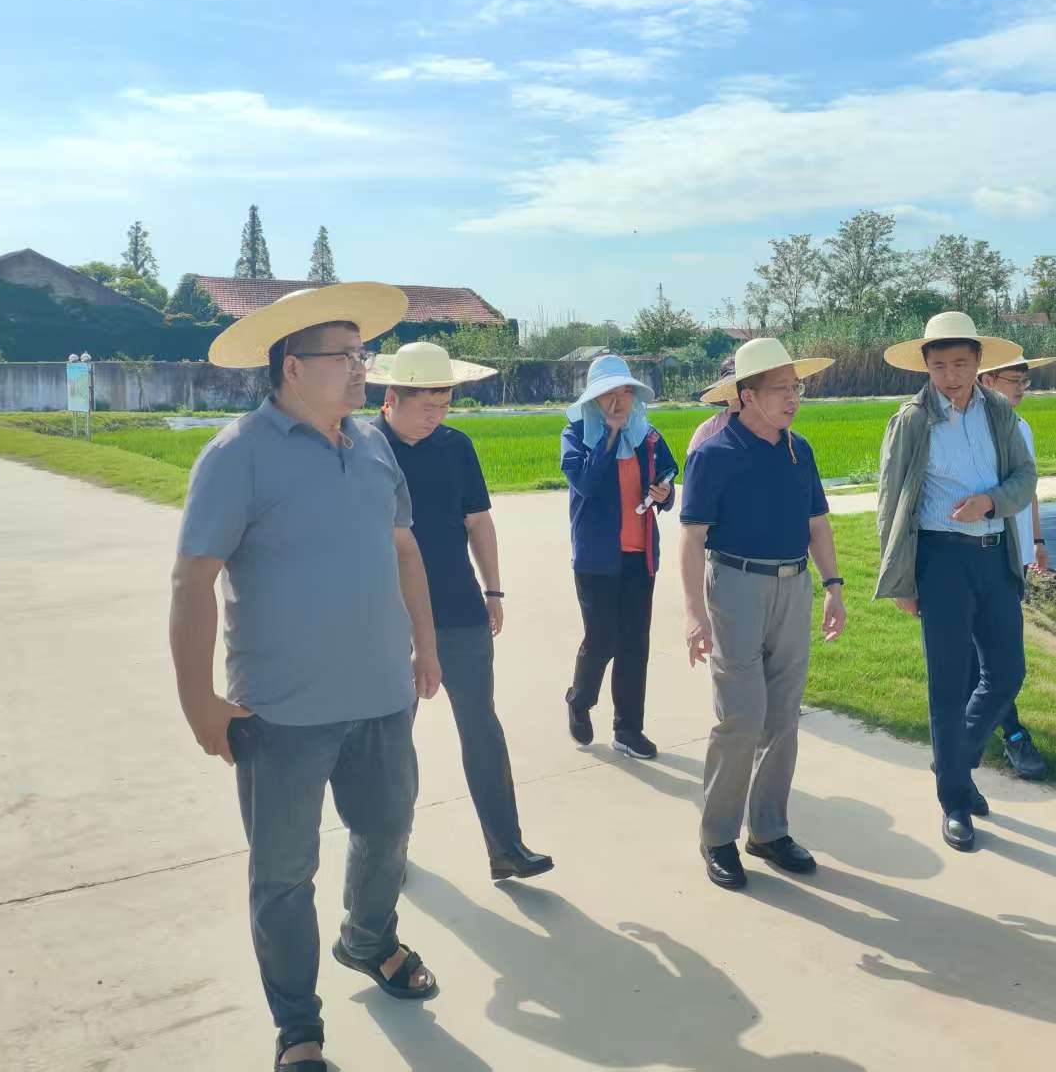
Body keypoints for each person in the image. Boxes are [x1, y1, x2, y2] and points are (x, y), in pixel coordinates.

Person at [169, 284, 443, 1072]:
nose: (363, 369)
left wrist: (424, 645)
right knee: (285, 874)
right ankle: (298, 1026)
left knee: (387, 831)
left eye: (364, 354)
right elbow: (192, 579)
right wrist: (197, 700)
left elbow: (404, 549)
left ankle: (369, 938)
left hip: (383, 696)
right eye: (346, 356)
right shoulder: (238, 455)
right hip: (283, 714)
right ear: (292, 366)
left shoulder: (373, 445)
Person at [370, 341, 554, 881]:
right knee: (390, 741)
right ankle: (384, 855)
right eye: (426, 405)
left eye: (444, 404)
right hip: (387, 619)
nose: (437, 416)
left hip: (458, 605)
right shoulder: (362, 450)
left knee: (482, 729)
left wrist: (494, 591)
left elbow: (478, 522)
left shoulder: (456, 447)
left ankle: (507, 848)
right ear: (391, 398)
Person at [680, 337, 848, 890]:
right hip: (735, 586)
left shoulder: (800, 451)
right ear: (746, 395)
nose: (792, 398)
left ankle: (769, 831)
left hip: (794, 586)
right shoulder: (713, 454)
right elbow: (692, 538)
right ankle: (717, 837)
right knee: (741, 717)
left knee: (783, 716)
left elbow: (817, 523)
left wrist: (833, 586)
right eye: (780, 389)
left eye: (795, 388)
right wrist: (694, 613)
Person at [874, 311, 1037, 853]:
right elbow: (890, 502)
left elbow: (1025, 477)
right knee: (948, 684)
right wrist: (901, 579)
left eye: (962, 364)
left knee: (1007, 672)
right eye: (940, 366)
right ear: (926, 366)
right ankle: (955, 802)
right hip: (940, 561)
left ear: (978, 363)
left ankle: (953, 764)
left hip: (994, 557)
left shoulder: (998, 412)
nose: (951, 376)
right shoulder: (912, 420)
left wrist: (991, 501)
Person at [560, 354, 679, 759]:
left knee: (634, 644)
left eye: (626, 391)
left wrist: (664, 492)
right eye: (609, 393)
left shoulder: (647, 435)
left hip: (639, 557)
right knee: (602, 638)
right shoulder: (576, 435)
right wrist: (610, 435)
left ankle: (628, 729)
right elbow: (587, 483)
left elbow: (668, 474)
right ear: (594, 399)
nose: (619, 400)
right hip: (596, 558)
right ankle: (579, 700)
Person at [971, 354, 1056, 779]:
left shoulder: (1022, 427)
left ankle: (966, 737)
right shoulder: (974, 431)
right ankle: (1012, 734)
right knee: (994, 659)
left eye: (1026, 381)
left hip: (1015, 557)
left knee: (994, 658)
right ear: (988, 379)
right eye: (1014, 380)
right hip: (983, 553)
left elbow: (1030, 489)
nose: (1022, 388)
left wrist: (1037, 542)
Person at [686, 354, 739, 456]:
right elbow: (693, 463)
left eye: (740, 385)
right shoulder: (708, 429)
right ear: (723, 390)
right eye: (731, 387)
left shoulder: (768, 424)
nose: (736, 392)